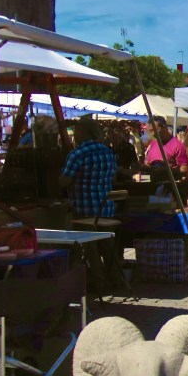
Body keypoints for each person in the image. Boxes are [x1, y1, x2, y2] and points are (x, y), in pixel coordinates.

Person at [59, 117, 120, 290]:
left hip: (84, 209)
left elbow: (64, 181)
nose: (74, 134)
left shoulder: (78, 153)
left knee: (89, 246)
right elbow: (113, 177)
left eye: (76, 131)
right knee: (108, 247)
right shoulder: (108, 151)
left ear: (83, 132)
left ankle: (98, 281)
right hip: (106, 209)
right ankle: (117, 280)